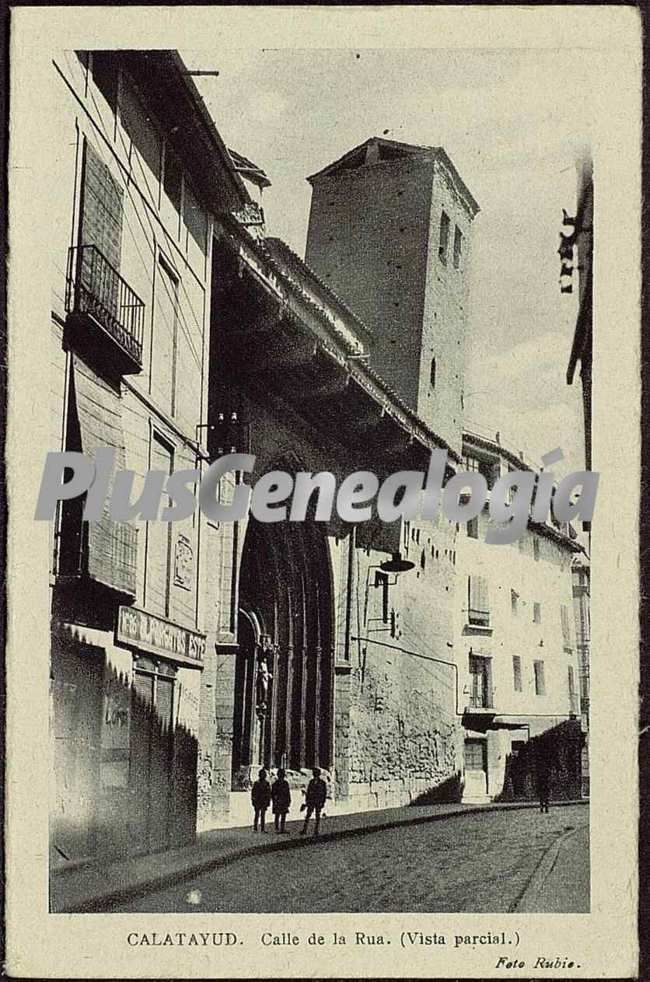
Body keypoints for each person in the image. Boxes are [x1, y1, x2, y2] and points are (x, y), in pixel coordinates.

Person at [300, 767, 328, 837]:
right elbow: (309, 792)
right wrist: (306, 801)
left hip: (318, 801)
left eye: (315, 773)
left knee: (317, 816)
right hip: (311, 801)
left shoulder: (322, 783)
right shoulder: (311, 782)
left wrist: (323, 802)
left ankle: (316, 830)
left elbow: (324, 793)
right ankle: (304, 829)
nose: (314, 775)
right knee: (308, 815)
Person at [251, 768, 271, 832]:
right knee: (257, 815)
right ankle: (255, 828)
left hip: (263, 801)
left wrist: (268, 801)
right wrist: (253, 801)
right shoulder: (256, 783)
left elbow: (268, 793)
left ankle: (262, 828)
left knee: (262, 815)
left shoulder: (266, 783)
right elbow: (253, 793)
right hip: (258, 801)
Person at [271, 768, 291, 833]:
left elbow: (287, 793)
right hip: (279, 801)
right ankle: (278, 828)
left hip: (282, 801)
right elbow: (273, 794)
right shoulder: (277, 784)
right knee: (279, 815)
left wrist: (288, 801)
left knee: (281, 815)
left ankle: (280, 828)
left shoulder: (284, 783)